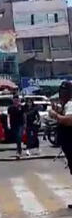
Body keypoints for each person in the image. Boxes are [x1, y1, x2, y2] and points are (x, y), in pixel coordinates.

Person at [48, 81, 72, 210]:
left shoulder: (71, 103)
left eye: (64, 92)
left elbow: (69, 121)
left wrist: (55, 115)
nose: (62, 95)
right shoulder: (67, 104)